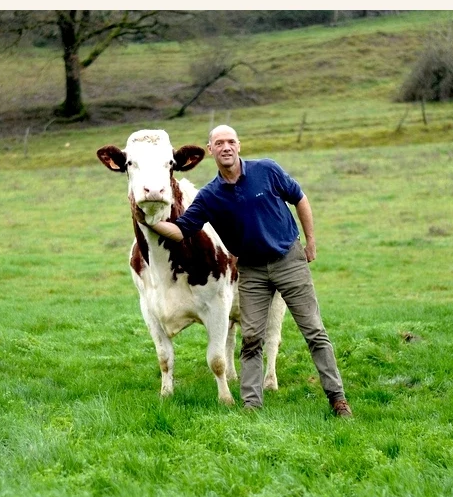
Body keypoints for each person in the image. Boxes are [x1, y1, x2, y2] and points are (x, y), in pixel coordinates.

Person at [138, 125, 352, 418]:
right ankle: (252, 405)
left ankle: (338, 399)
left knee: (314, 331)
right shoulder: (211, 195)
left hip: (288, 260)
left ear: (238, 146)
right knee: (251, 338)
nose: (226, 147)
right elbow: (181, 229)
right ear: (210, 150)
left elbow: (299, 197)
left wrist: (311, 240)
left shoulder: (267, 170)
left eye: (230, 142)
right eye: (219, 143)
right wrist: (148, 220)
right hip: (251, 270)